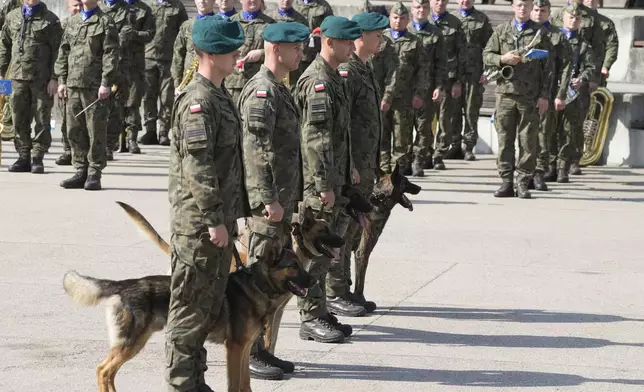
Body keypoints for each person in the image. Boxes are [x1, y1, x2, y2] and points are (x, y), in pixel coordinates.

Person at [165, 14, 250, 392]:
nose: (237, 56)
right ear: (212, 55)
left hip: (217, 224)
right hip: (200, 227)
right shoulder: (198, 102)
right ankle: (181, 384)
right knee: (188, 312)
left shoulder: (218, 95)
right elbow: (198, 168)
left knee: (205, 311)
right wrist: (216, 219)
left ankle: (195, 381)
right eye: (231, 50)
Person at [237, 20, 309, 381]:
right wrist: (267, 199)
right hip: (269, 204)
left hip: (281, 200)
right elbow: (255, 149)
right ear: (276, 49)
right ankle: (251, 352)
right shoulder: (262, 91)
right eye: (296, 47)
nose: (302, 53)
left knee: (267, 282)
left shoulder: (279, 89)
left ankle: (261, 348)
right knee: (258, 281)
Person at [294, 15, 361, 343]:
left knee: (325, 253)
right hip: (320, 184)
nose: (352, 47)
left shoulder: (334, 77)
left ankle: (318, 308)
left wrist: (348, 172)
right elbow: (315, 139)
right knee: (315, 252)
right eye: (347, 42)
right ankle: (310, 316)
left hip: (334, 178)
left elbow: (338, 135)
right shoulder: (318, 81)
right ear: (329, 43)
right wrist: (323, 185)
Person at [333, 11, 389, 313]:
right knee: (342, 231)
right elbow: (343, 124)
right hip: (353, 167)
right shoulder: (349, 71)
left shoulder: (366, 68)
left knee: (354, 230)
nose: (381, 39)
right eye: (376, 34)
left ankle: (344, 290)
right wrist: (351, 164)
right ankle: (336, 292)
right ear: (361, 36)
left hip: (366, 166)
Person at [483, 0, 552, 199]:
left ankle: (522, 182)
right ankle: (506, 181)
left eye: (527, 5)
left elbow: (549, 69)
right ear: (513, 7)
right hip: (505, 94)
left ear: (532, 8)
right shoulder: (502, 30)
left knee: (528, 142)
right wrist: (502, 59)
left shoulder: (541, 34)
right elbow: (487, 55)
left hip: (530, 97)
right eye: (519, 5)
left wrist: (545, 96)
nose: (523, 9)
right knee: (505, 140)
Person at [54, 0, 119, 190]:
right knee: (74, 130)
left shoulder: (106, 22)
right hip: (73, 85)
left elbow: (110, 55)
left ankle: (94, 173)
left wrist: (106, 83)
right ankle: (80, 170)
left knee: (95, 130)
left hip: (94, 87)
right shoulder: (73, 22)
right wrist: (62, 80)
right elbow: (64, 51)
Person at [0, 0, 62, 173]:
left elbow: (59, 50)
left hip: (42, 80)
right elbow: (4, 44)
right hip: (16, 78)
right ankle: (23, 156)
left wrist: (55, 78)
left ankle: (38, 157)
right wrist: (2, 73)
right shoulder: (12, 17)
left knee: (42, 119)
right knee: (18, 118)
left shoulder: (50, 20)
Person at [550, 0, 603, 175]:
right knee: (549, 128)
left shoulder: (583, 45)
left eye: (577, 18)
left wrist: (582, 78)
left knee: (569, 129)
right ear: (563, 18)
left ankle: (563, 166)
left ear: (580, 21)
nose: (573, 20)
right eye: (571, 17)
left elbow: (591, 66)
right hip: (552, 89)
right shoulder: (553, 39)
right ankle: (549, 165)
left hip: (572, 93)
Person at [378, 2, 428, 176]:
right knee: (381, 134)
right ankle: (384, 170)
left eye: (402, 18)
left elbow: (423, 70)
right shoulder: (381, 38)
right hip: (382, 95)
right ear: (390, 18)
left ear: (408, 20)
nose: (398, 21)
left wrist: (419, 93)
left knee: (401, 136)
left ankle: (396, 173)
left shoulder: (415, 41)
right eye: (395, 18)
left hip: (404, 96)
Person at [100, 0, 155, 159]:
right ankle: (112, 142)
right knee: (111, 104)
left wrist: (135, 34)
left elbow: (150, 33)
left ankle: (132, 139)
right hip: (110, 65)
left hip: (133, 65)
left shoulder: (143, 9)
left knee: (133, 102)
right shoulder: (103, 9)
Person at [531, 0, 569, 187]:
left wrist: (560, 94)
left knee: (543, 134)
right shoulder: (523, 31)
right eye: (536, 9)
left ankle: (539, 171)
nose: (539, 13)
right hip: (524, 92)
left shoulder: (557, 35)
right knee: (524, 134)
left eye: (543, 10)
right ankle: (524, 172)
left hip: (548, 91)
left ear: (549, 12)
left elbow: (565, 67)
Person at [139, 0, 187, 147]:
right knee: (148, 95)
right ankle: (150, 130)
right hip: (148, 57)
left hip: (169, 58)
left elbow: (183, 31)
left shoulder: (177, 7)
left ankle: (163, 132)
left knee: (167, 97)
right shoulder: (148, 7)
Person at [449, 0, 493, 161]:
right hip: (453, 75)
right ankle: (454, 145)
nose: (465, 1)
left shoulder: (482, 19)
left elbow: (490, 47)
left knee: (471, 111)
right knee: (453, 111)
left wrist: (488, 71)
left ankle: (468, 146)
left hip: (474, 74)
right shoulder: (451, 19)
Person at [427, 0, 466, 170]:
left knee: (445, 119)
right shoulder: (423, 20)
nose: (440, 3)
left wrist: (458, 81)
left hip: (448, 79)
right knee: (425, 119)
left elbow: (462, 53)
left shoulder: (455, 23)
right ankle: (425, 152)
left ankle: (439, 154)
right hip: (425, 80)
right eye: (436, 0)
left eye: (443, 0)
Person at [408, 0, 445, 175]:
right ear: (412, 9)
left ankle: (418, 160)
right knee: (404, 126)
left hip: (427, 88)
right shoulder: (404, 31)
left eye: (424, 7)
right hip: (405, 88)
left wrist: (439, 86)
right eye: (417, 7)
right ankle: (405, 159)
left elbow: (441, 63)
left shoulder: (436, 33)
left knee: (424, 128)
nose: (420, 10)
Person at [225, 0, 275, 105]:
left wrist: (261, 53)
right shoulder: (230, 23)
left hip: (259, 82)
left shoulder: (270, 24)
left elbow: (277, 50)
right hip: (233, 83)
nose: (252, 0)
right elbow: (222, 49)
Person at [54, 0, 83, 166]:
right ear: (68, 7)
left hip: (85, 78)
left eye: (80, 5)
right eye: (75, 6)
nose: (78, 8)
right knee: (65, 116)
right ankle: (67, 150)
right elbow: (59, 53)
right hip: (65, 77)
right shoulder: (62, 25)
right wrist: (58, 78)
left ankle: (81, 152)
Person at [172, 0, 216, 97]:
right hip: (189, 81)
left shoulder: (221, 24)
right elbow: (178, 54)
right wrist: (177, 82)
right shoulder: (187, 25)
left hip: (213, 82)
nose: (202, 1)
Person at [270, 0, 309, 89]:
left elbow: (305, 44)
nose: (286, 1)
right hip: (275, 70)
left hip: (294, 72)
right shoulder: (269, 18)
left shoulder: (300, 20)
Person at [584, 0, 618, 87]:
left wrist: (606, 66)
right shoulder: (572, 20)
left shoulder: (606, 23)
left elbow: (612, 46)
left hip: (597, 72)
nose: (590, 1)